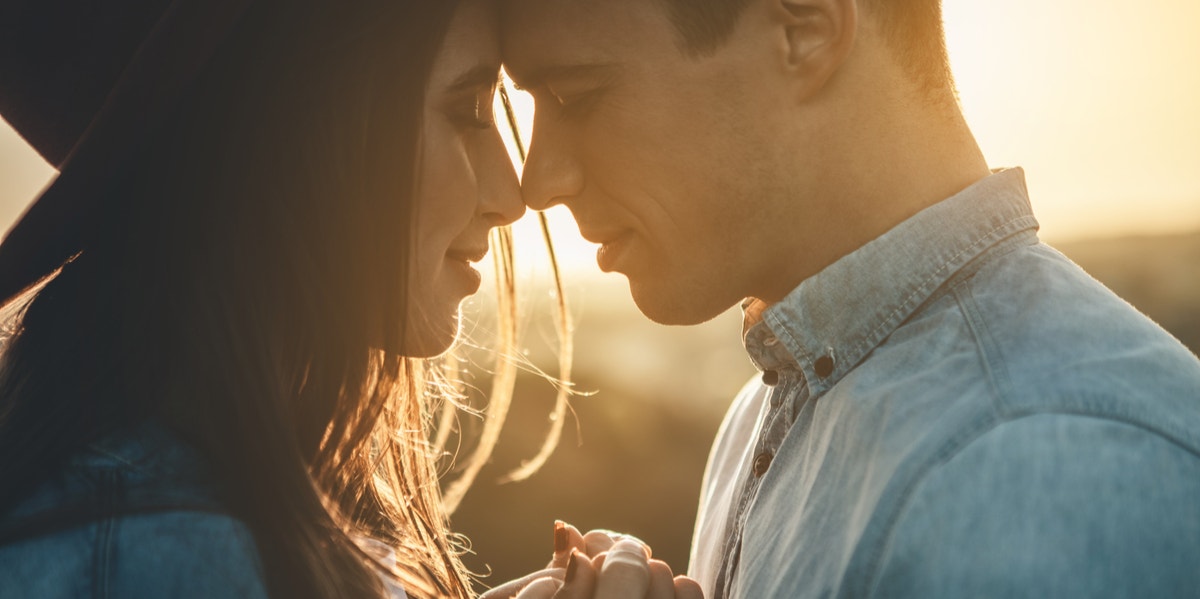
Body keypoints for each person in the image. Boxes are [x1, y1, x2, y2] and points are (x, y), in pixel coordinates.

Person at [499, 0, 1200, 597]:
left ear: (805, 28)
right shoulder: (763, 419)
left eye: (575, 96)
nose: (537, 180)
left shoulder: (1033, 463)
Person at [0, 0, 655, 597]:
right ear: (297, 134)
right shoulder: (173, 560)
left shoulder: (178, 519)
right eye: (466, 112)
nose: (511, 195)